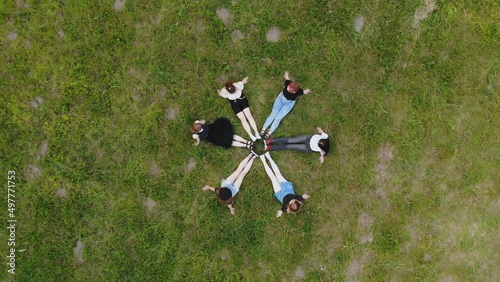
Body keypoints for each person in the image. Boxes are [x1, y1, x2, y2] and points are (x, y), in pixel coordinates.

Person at [260, 71, 311, 138]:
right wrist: (287, 76)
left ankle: (269, 132)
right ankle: (263, 129)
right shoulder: (288, 83)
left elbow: (302, 92)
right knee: (273, 114)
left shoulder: (298, 91)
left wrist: (305, 91)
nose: (287, 88)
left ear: (294, 91)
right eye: (288, 87)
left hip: (289, 104)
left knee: (278, 118)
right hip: (280, 98)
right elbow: (287, 79)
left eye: (289, 89)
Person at [259, 152, 310, 217]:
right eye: (293, 200)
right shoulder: (298, 198)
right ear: (297, 201)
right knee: (277, 173)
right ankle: (269, 158)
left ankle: (264, 161)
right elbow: (302, 197)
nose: (291, 200)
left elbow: (282, 209)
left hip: (280, 194)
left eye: (290, 202)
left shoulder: (285, 206)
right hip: (287, 189)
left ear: (288, 206)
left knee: (272, 177)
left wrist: (280, 212)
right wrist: (304, 197)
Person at [218, 76, 261, 141]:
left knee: (249, 116)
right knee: (243, 119)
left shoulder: (236, 85)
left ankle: (256, 132)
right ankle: (251, 135)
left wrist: (244, 80)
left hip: (242, 100)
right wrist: (219, 92)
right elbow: (220, 93)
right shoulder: (225, 90)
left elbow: (243, 82)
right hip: (235, 104)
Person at [265, 127, 330, 163]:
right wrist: (321, 130)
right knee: (290, 140)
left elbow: (322, 155)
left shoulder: (323, 150)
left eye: (317, 143)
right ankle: (271, 141)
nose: (317, 141)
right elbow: (322, 132)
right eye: (319, 140)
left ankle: (271, 147)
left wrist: (322, 158)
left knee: (290, 146)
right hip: (308, 138)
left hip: (307, 147)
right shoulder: (325, 137)